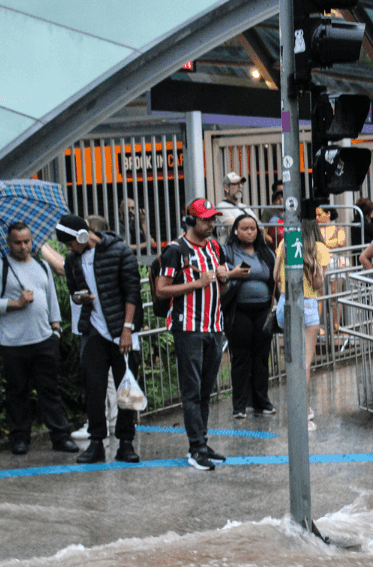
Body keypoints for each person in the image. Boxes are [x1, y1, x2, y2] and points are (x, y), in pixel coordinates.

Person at [0, 222, 78, 457]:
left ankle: (60, 436)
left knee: (50, 391)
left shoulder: (42, 266)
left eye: (27, 241)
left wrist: (56, 329)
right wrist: (16, 303)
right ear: (9, 243)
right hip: (13, 344)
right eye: (17, 242)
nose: (23, 246)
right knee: (18, 392)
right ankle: (20, 438)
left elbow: (51, 298)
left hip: (44, 339)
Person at [58, 214, 143, 464]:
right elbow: (73, 291)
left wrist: (126, 329)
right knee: (94, 390)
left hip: (121, 330)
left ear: (81, 236)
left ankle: (126, 444)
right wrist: (79, 298)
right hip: (93, 332)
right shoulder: (72, 260)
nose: (68, 247)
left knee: (125, 389)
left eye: (69, 242)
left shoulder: (119, 251)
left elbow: (132, 291)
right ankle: (96, 443)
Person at [155, 198, 231, 470]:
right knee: (192, 390)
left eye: (212, 219)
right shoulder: (176, 250)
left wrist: (223, 278)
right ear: (191, 221)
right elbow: (160, 289)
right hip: (187, 327)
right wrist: (195, 283)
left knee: (206, 390)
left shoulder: (214, 248)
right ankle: (195, 447)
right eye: (205, 219)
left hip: (214, 326)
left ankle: (202, 440)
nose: (211, 224)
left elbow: (220, 291)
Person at [222, 214, 277, 419]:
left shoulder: (266, 253)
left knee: (262, 357)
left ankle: (261, 401)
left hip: (263, 310)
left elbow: (274, 280)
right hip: (239, 311)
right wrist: (233, 273)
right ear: (236, 230)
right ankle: (239, 405)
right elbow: (221, 276)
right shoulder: (227, 252)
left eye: (253, 228)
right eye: (245, 228)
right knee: (241, 358)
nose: (250, 232)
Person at [276, 219, 327, 431]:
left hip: (284, 301)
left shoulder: (284, 243)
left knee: (292, 361)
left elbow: (274, 276)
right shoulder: (320, 247)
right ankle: (303, 412)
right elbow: (318, 283)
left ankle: (298, 408)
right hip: (307, 303)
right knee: (304, 363)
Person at [215, 172, 255, 238]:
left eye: (240, 183)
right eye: (236, 184)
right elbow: (236, 227)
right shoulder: (221, 207)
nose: (240, 186)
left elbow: (259, 224)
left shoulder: (244, 206)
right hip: (231, 246)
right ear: (226, 188)